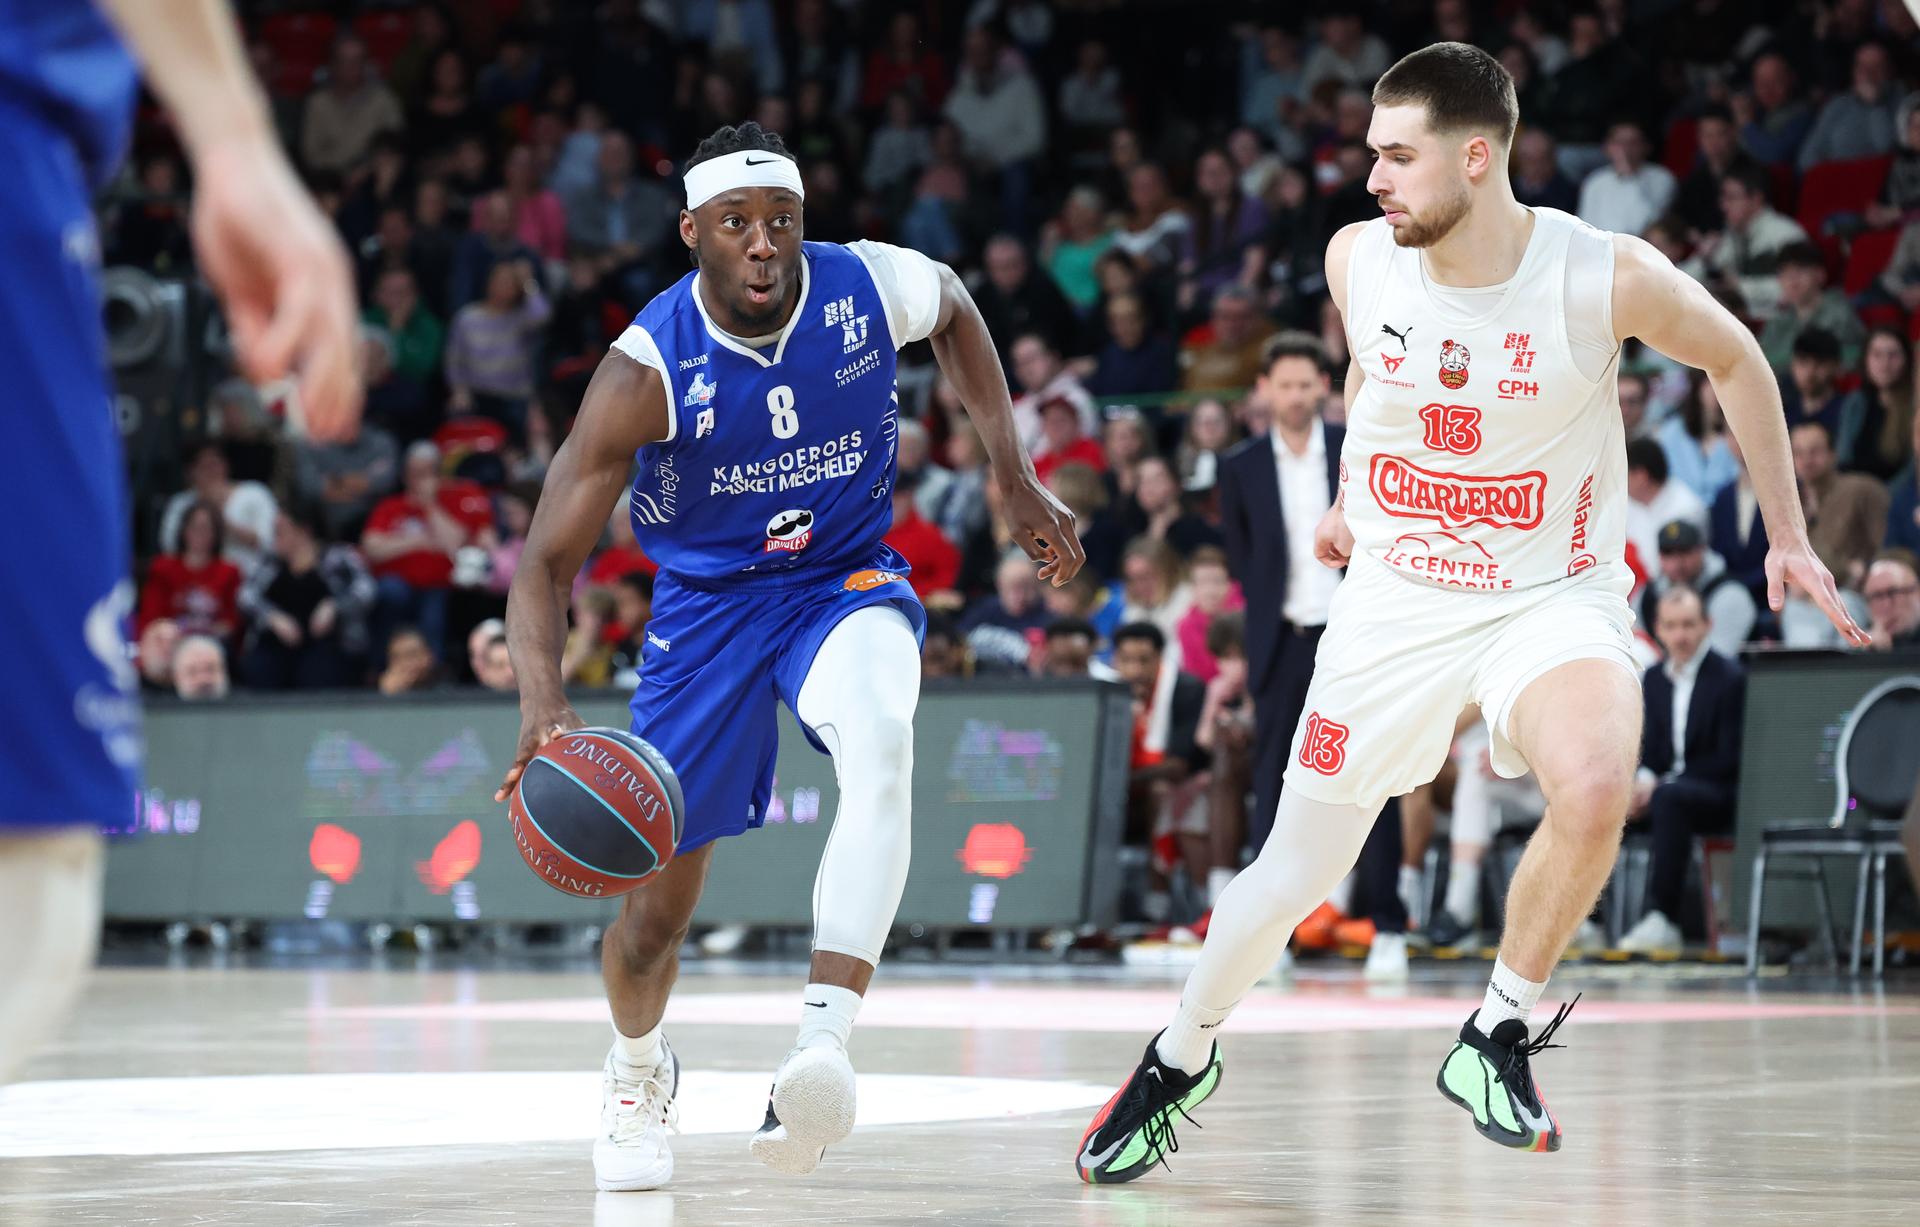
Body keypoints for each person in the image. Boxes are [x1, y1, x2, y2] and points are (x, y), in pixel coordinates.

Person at [1079, 43, 1861, 1183]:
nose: (1372, 180)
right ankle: (1178, 1051)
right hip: (1398, 600)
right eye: (1371, 156)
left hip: (1551, 593)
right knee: (1292, 873)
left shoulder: (1603, 274)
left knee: (1597, 781)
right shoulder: (1361, 260)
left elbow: (1739, 359)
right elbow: (1368, 375)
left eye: (1398, 157)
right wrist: (1351, 491)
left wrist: (1787, 532)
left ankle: (1496, 1030)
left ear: (1478, 156)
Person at [495, 123, 1077, 1191]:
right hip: (708, 608)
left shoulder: (863, 287)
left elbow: (953, 303)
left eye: (782, 223)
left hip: (841, 578)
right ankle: (636, 1068)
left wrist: (1010, 470)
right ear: (692, 235)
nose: (765, 244)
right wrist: (544, 708)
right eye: (737, 225)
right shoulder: (645, 369)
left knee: (884, 739)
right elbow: (543, 565)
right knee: (654, 915)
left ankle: (819, 1047)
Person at [1214, 332, 1342, 857]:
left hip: (1348, 633)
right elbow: (1240, 557)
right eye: (1284, 385)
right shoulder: (1239, 467)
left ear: (1323, 387)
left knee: (1367, 768)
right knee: (1274, 772)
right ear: (1264, 388)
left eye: (1304, 385)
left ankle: (1381, 915)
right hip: (1279, 636)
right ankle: (1274, 920)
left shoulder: (1350, 448)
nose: (1294, 396)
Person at [1617, 587, 1746, 954]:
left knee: (1669, 798)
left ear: (1708, 625)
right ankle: (1590, 921)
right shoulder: (1654, 679)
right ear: (1658, 629)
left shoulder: (1730, 677)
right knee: (1609, 799)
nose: (1681, 636)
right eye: (1671, 626)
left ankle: (1663, 918)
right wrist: (1641, 783)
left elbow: (1728, 758)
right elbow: (1650, 750)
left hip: (1716, 792)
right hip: (1667, 790)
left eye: (1689, 625)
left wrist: (1658, 784)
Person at [1641, 519, 1758, 659]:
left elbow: (1719, 660)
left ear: (1701, 550)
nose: (1676, 563)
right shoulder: (1648, 594)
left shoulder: (1729, 593)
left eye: (1684, 552)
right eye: (1668, 553)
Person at [1862, 552, 1920, 652]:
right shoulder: (1864, 641)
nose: (1886, 604)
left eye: (1893, 592)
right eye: (1877, 596)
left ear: (1916, 593)